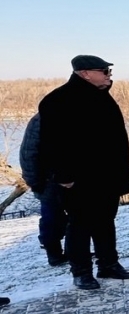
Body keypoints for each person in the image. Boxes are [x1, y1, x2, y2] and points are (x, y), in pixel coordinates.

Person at [38, 55, 129, 290]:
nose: (109, 75)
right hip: (79, 179)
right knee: (80, 224)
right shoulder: (58, 100)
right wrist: (64, 176)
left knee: (105, 221)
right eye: (104, 71)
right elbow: (52, 144)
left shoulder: (103, 97)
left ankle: (108, 263)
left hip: (108, 176)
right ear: (84, 73)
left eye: (109, 71)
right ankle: (81, 271)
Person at [19, 113, 68, 266]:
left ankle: (73, 250)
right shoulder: (40, 121)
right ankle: (53, 252)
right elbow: (29, 152)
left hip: (70, 177)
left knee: (76, 218)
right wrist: (34, 181)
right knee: (51, 216)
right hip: (48, 179)